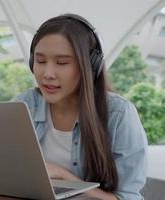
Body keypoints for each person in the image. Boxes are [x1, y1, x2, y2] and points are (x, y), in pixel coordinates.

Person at [14, 14, 147, 200]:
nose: (47, 74)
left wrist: (64, 177)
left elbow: (128, 197)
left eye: (62, 63)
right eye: (40, 61)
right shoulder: (24, 105)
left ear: (90, 66)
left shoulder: (119, 113)